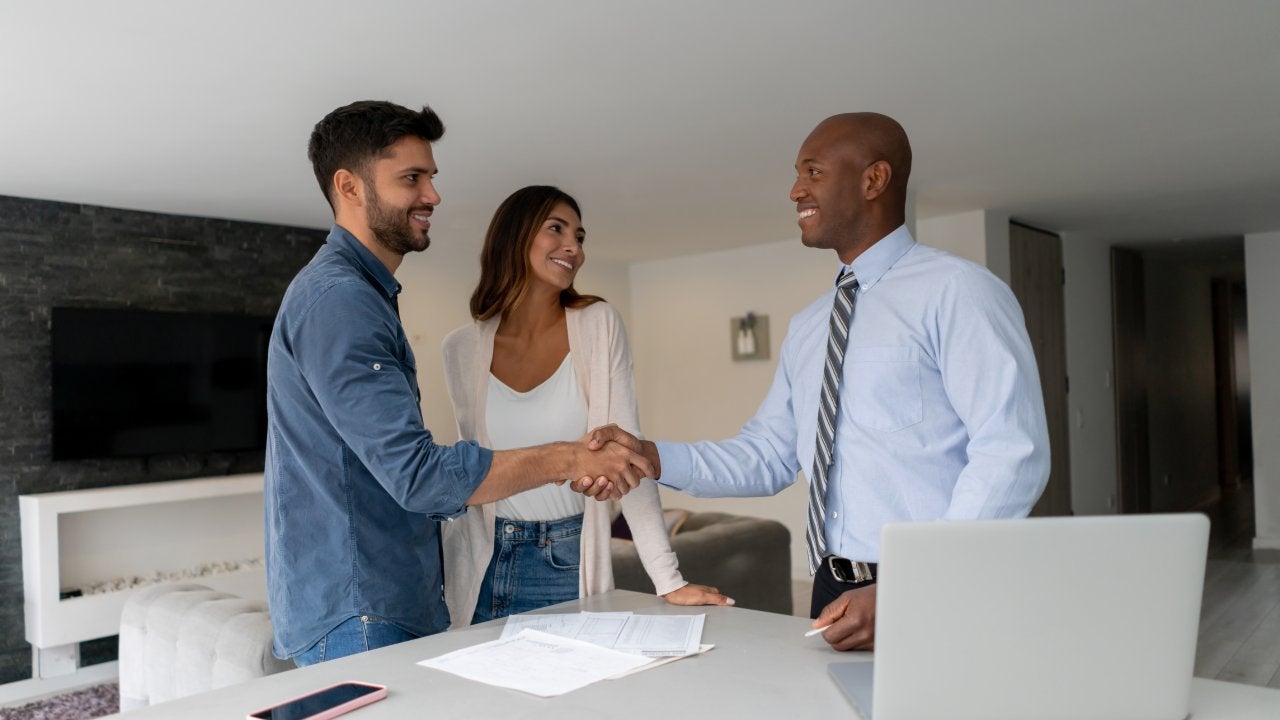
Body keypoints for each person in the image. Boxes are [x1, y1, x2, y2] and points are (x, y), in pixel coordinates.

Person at [589, 112, 1050, 651]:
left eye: (813, 171)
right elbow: (769, 455)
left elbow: (1011, 450)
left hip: (934, 585)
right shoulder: (811, 326)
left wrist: (913, 583)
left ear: (873, 180)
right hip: (833, 589)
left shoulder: (959, 292)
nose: (795, 190)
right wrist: (649, 456)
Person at [264, 101, 650, 667]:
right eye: (411, 179)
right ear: (348, 186)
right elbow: (418, 476)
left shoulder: (360, 295)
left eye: (432, 178)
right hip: (363, 610)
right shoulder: (342, 301)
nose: (433, 196)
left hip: (380, 599)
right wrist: (570, 458)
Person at [440, 186, 733, 625]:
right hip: (479, 564)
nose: (573, 247)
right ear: (514, 237)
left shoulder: (598, 325)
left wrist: (668, 579)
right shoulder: (461, 348)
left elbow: (626, 458)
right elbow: (471, 471)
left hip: (567, 561)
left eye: (579, 236)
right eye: (556, 229)